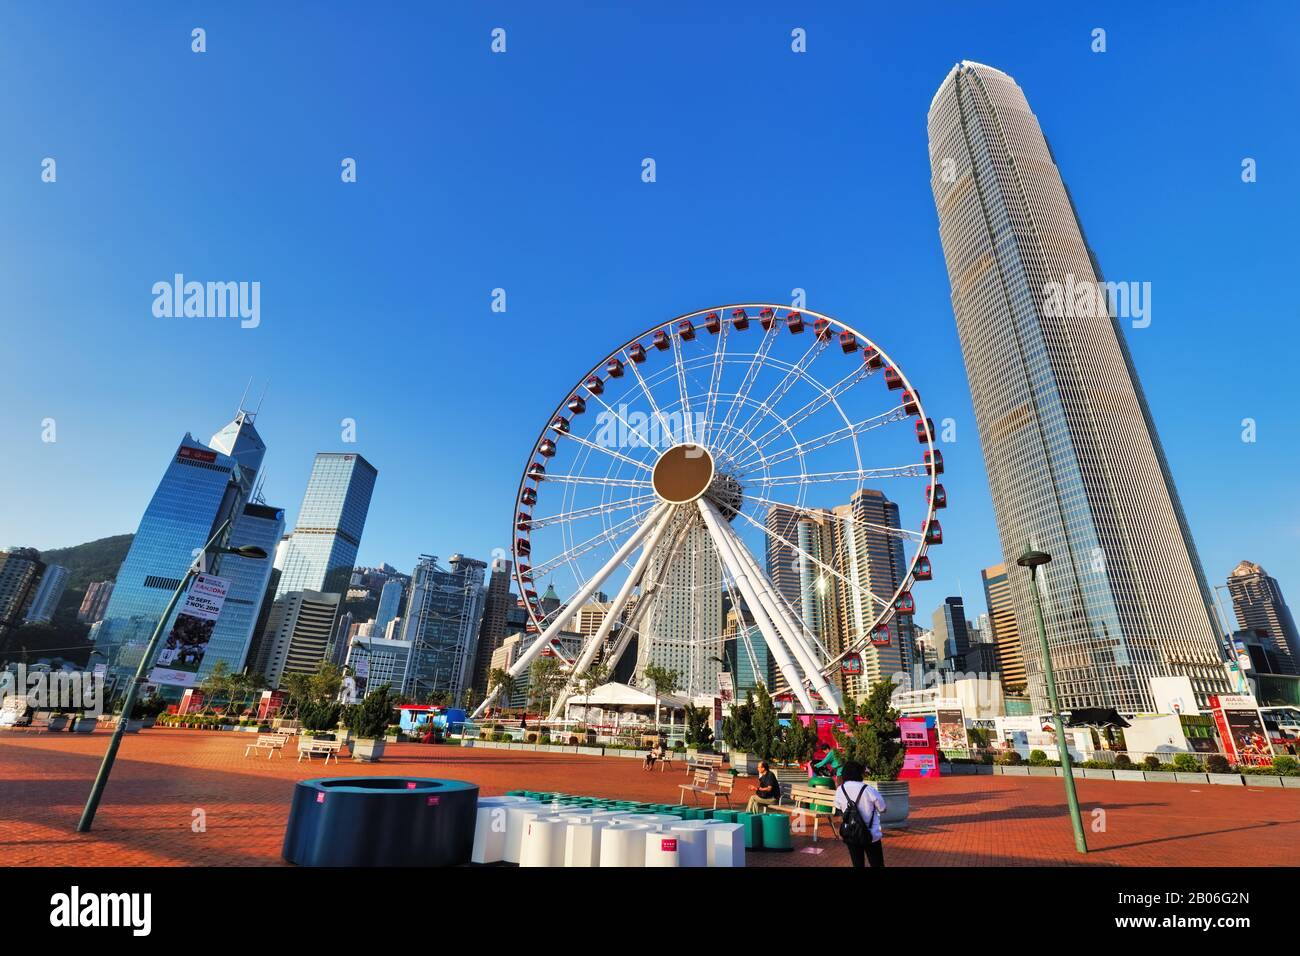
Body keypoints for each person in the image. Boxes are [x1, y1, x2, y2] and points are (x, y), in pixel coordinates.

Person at [833, 760, 887, 868]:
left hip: (851, 833)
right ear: (859, 773)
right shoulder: (868, 789)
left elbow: (838, 807)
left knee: (857, 864)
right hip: (871, 834)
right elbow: (883, 808)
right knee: (877, 863)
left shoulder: (840, 789)